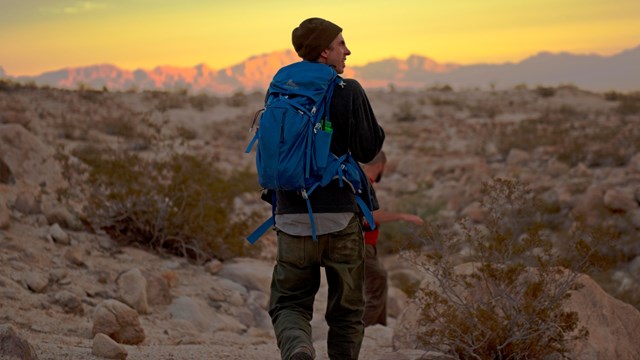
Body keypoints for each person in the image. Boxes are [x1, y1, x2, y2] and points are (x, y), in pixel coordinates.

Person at [268, 17, 385, 360]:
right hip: (340, 216)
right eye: (340, 44)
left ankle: (299, 348)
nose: (347, 51)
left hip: (291, 214)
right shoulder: (349, 90)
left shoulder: (280, 89)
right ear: (324, 51)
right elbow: (368, 149)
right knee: (348, 311)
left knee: (289, 302)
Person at [361, 151, 424, 327]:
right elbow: (371, 216)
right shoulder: (363, 183)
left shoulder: (364, 183)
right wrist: (402, 216)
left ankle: (377, 326)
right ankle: (365, 328)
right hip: (362, 245)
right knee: (378, 282)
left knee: (376, 282)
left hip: (367, 245)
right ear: (380, 166)